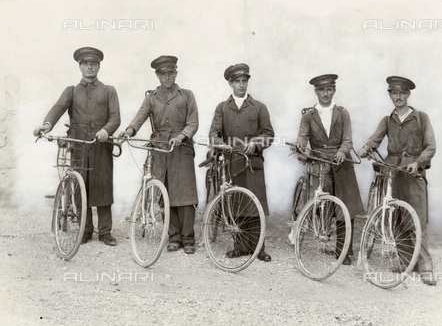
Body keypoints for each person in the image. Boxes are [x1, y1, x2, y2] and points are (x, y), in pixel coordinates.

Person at [33, 47, 121, 246]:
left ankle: (105, 231)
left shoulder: (109, 90)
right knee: (80, 186)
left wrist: (106, 131)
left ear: (99, 66)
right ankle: (85, 229)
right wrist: (46, 124)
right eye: (86, 63)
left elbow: (115, 118)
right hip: (79, 145)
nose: (90, 67)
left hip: (101, 145)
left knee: (103, 186)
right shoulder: (71, 91)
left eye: (94, 64)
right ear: (80, 67)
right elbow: (57, 109)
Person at [357, 75, 437, 285]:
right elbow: (375, 139)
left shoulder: (421, 118)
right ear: (390, 95)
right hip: (391, 171)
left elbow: (430, 146)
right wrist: (366, 148)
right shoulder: (387, 120)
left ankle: (425, 265)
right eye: (394, 93)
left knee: (416, 217)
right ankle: (405, 260)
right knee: (397, 216)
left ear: (408, 94)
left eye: (402, 93)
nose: (398, 97)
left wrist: (418, 162)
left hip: (413, 172)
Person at [120, 55, 199, 255]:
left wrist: (182, 137)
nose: (167, 77)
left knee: (186, 195)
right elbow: (140, 116)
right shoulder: (151, 98)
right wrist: (129, 131)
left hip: (181, 150)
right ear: (157, 75)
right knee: (166, 193)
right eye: (163, 74)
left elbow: (193, 123)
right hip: (160, 151)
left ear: (176, 73)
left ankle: (188, 238)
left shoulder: (187, 95)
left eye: (170, 73)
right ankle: (173, 237)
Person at [290, 74, 364, 265]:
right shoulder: (308, 115)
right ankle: (316, 231)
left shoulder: (342, 113)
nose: (325, 93)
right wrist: (299, 145)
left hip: (341, 164)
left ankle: (344, 251)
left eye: (329, 89)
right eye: (321, 90)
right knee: (320, 203)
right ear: (316, 92)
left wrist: (342, 151)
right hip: (319, 162)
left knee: (345, 206)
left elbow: (348, 139)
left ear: (334, 91)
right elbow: (302, 137)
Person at [208, 63, 275, 262]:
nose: (241, 85)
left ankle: (258, 248)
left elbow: (269, 135)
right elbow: (214, 133)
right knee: (236, 205)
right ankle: (239, 247)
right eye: (237, 81)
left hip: (252, 164)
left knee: (255, 206)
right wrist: (220, 144)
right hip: (232, 163)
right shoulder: (222, 108)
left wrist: (255, 144)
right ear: (230, 83)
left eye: (244, 81)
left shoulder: (259, 107)